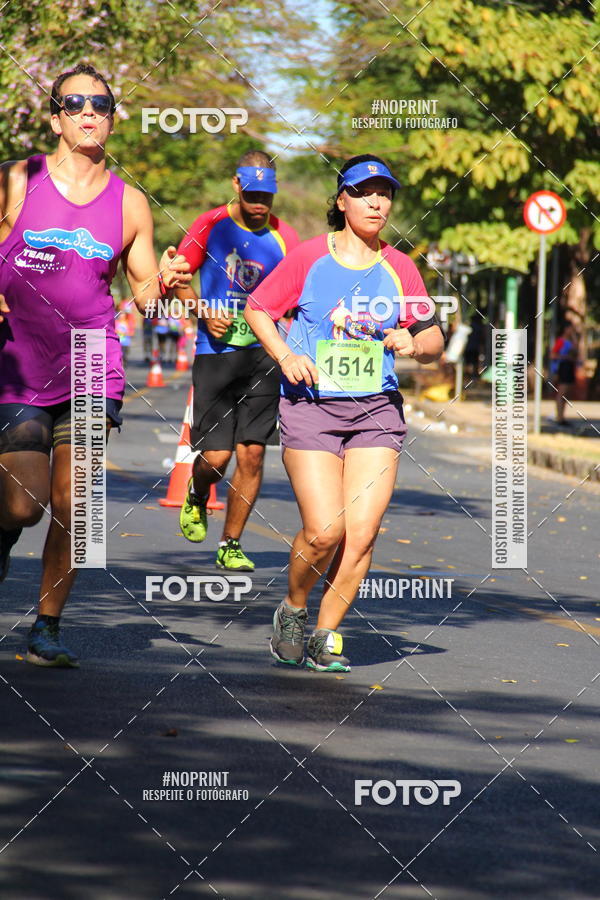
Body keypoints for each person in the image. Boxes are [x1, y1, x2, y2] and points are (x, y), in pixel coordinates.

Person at [0, 63, 190, 666]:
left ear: (112, 118)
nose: (88, 113)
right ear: (55, 117)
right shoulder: (16, 179)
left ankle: (47, 627)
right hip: (19, 359)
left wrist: (169, 280)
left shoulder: (129, 203)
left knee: (76, 504)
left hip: (89, 361)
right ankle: (4, 537)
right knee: (23, 503)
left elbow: (146, 297)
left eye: (100, 105)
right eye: (74, 103)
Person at [245, 154, 444, 672]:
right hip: (311, 407)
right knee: (325, 530)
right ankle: (293, 609)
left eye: (385, 193)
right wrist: (285, 355)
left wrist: (414, 343)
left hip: (376, 411)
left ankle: (325, 633)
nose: (376, 202)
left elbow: (433, 338)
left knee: (361, 532)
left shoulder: (400, 267)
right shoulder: (310, 257)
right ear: (342, 201)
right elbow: (258, 308)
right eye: (364, 192)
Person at [175, 151, 299, 571]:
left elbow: (299, 295)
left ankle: (230, 543)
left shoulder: (286, 237)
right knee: (216, 458)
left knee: (252, 454)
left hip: (264, 356)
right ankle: (197, 492)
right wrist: (202, 311)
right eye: (252, 194)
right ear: (236, 185)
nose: (260, 203)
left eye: (267, 195)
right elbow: (177, 278)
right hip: (216, 355)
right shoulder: (210, 224)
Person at [550, 322, 578, 426]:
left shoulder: (570, 341)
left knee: (566, 394)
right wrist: (565, 357)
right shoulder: (560, 341)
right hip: (563, 367)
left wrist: (574, 337)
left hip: (570, 367)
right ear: (566, 329)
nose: (572, 330)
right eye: (570, 328)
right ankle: (559, 417)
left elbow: (576, 350)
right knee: (561, 393)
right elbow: (553, 355)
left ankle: (562, 416)